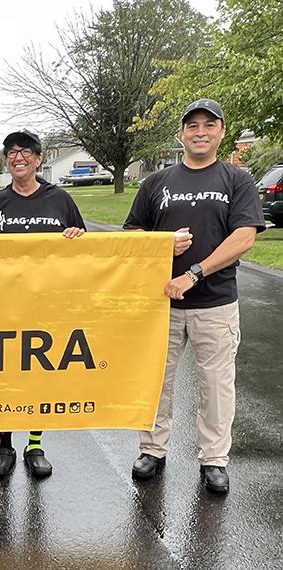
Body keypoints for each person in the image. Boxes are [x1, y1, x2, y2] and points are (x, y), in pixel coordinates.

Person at [124, 98, 265, 494]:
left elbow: (245, 236)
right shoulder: (157, 182)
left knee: (216, 385)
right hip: (160, 303)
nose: (200, 132)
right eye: (192, 125)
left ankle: (214, 459)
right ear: (181, 133)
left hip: (216, 302)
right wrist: (161, 245)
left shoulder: (236, 180)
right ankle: (152, 449)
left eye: (209, 125)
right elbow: (133, 235)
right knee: (156, 380)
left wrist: (194, 272)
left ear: (221, 132)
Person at [0, 130, 85, 480]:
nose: (18, 157)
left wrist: (76, 240)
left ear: (38, 158)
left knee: (39, 376)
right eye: (11, 153)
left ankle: (35, 444)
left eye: (25, 152)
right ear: (7, 161)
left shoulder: (60, 200)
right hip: (4, 304)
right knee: (5, 375)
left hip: (46, 304)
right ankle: (5, 444)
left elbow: (85, 254)